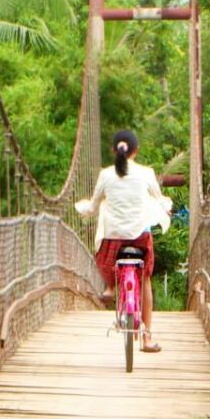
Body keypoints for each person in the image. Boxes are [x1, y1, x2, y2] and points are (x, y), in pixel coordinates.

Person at [76, 129, 171, 353]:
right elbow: (160, 200)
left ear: (113, 150)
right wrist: (168, 207)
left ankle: (110, 287)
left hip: (113, 241)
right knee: (145, 279)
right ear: (136, 150)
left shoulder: (106, 175)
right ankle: (146, 339)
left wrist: (83, 208)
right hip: (140, 238)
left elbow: (93, 205)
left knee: (105, 245)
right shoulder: (147, 173)